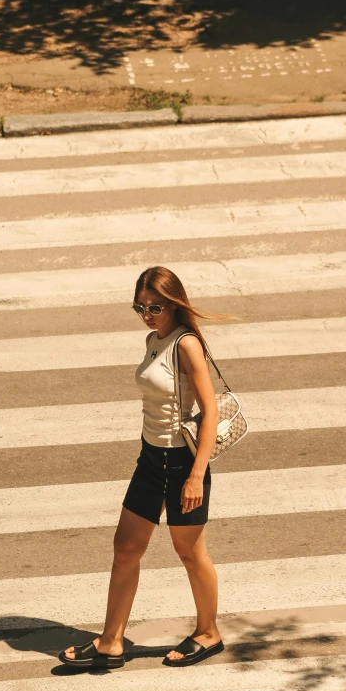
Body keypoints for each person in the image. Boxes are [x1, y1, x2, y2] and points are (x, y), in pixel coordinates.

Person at [59, 265, 225, 668]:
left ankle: (208, 632)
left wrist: (195, 476)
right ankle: (111, 641)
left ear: (173, 304)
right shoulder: (154, 340)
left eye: (155, 307)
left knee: (189, 552)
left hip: (182, 462)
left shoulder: (186, 344)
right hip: (150, 458)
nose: (148, 315)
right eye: (140, 307)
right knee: (126, 547)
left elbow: (211, 411)